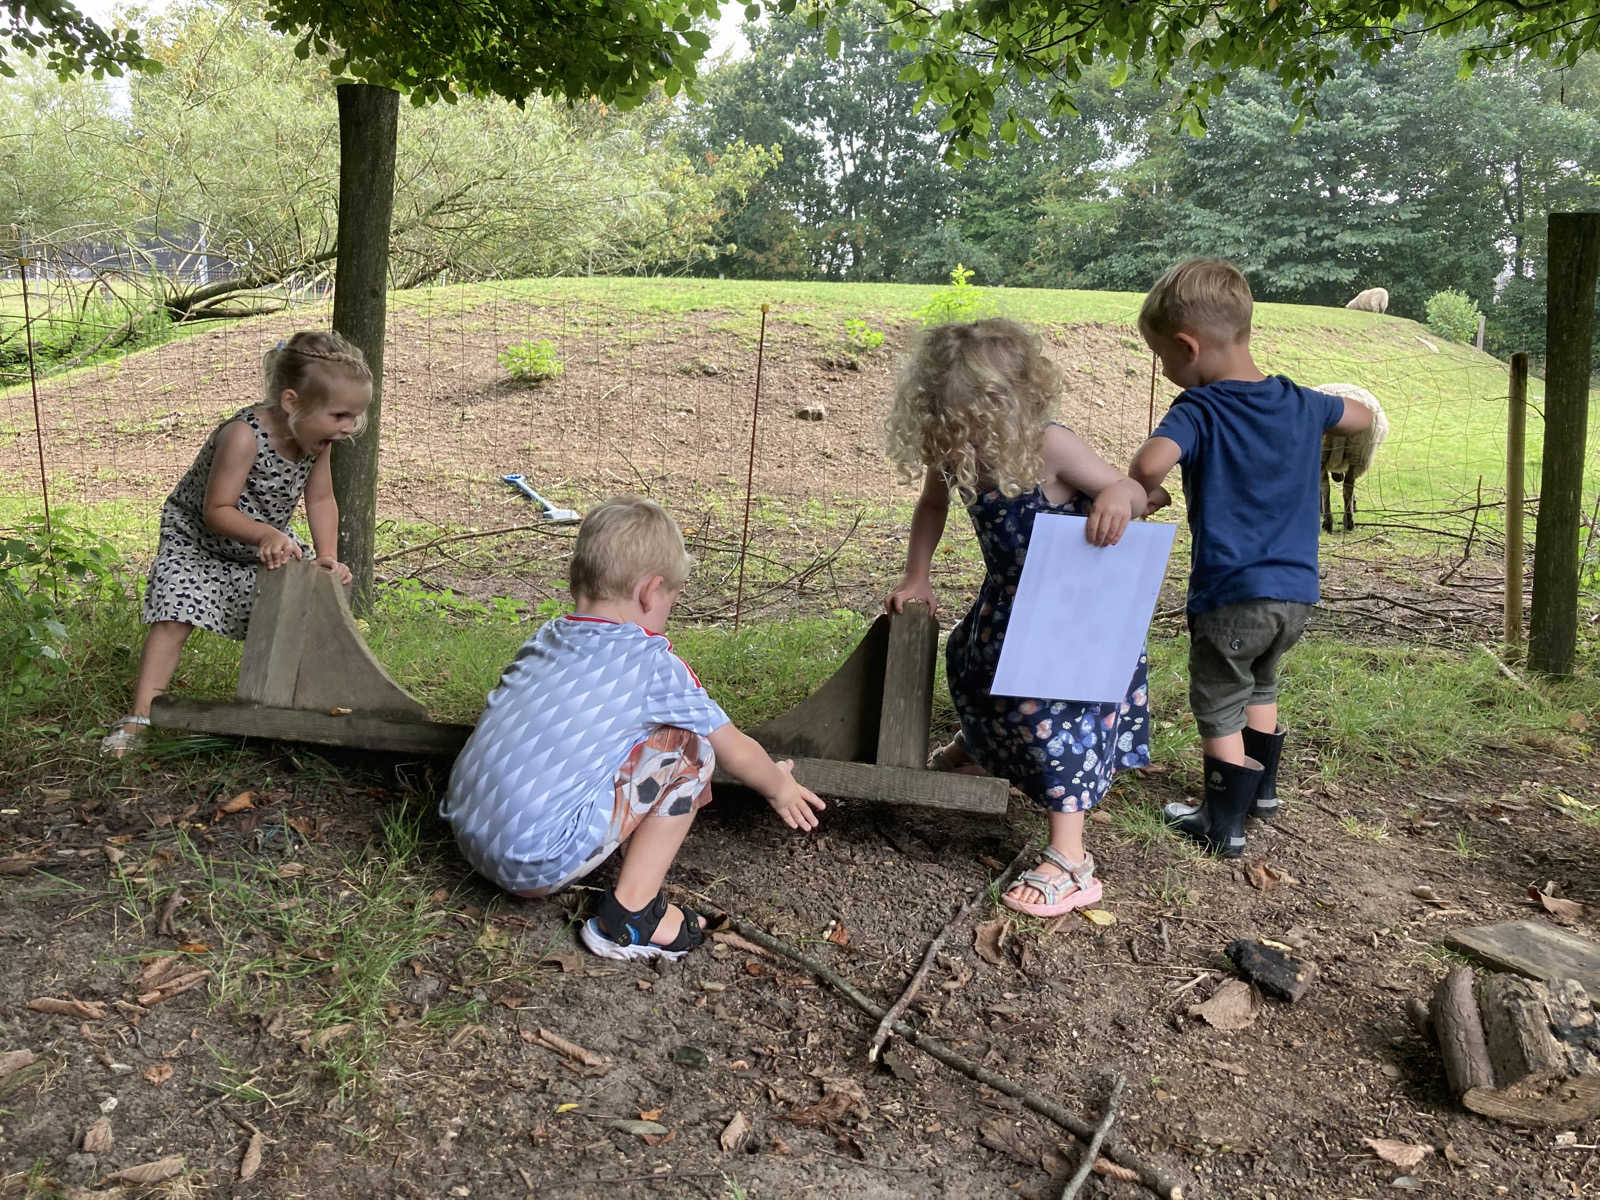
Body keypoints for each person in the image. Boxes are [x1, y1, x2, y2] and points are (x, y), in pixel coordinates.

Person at [442, 496, 825, 961]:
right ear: (650, 591)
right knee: (691, 748)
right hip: (531, 862)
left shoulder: (545, 638)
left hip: (467, 834)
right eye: (671, 601)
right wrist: (779, 787)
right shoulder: (652, 664)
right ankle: (631, 916)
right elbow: (734, 749)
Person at [885, 318, 1158, 917]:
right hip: (1010, 600)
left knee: (1052, 713)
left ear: (1013, 400)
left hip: (1074, 614)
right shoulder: (955, 449)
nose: (963, 428)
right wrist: (917, 574)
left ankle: (1072, 858)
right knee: (971, 665)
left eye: (975, 414)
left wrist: (1120, 494)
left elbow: (1134, 492)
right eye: (951, 415)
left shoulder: (1049, 445)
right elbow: (932, 505)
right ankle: (985, 749)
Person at [1128, 258, 1373, 856]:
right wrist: (1319, 409)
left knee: (1219, 698)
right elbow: (1362, 416)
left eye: (1164, 358)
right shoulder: (1299, 400)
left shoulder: (1199, 409)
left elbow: (1151, 464)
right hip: (1296, 594)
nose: (1166, 371)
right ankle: (1261, 793)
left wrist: (1143, 484)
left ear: (1188, 346)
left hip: (1231, 592)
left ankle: (1223, 822)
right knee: (1262, 683)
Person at [101, 331, 371, 756]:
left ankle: (292, 706)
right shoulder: (243, 435)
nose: (348, 427)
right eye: (339, 415)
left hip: (260, 544)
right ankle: (140, 717)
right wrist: (265, 533)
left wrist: (327, 557)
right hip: (197, 541)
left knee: (306, 603)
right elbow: (217, 509)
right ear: (292, 402)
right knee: (174, 616)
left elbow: (321, 499)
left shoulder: (314, 442)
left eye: (354, 416)